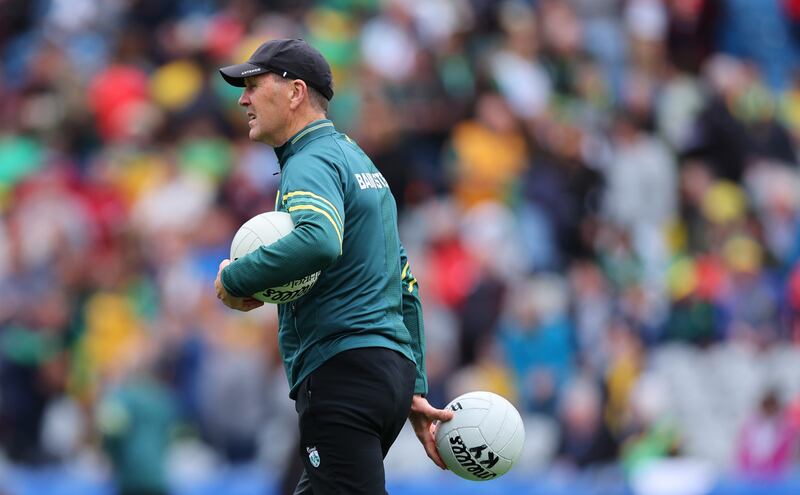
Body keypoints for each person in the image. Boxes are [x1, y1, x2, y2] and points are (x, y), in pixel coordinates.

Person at [213, 38, 453, 494]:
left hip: (343, 371)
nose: (243, 98)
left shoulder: (310, 158)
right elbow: (405, 283)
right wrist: (414, 386)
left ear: (295, 91)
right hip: (386, 374)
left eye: (253, 84)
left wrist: (235, 278)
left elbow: (318, 239)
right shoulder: (357, 160)